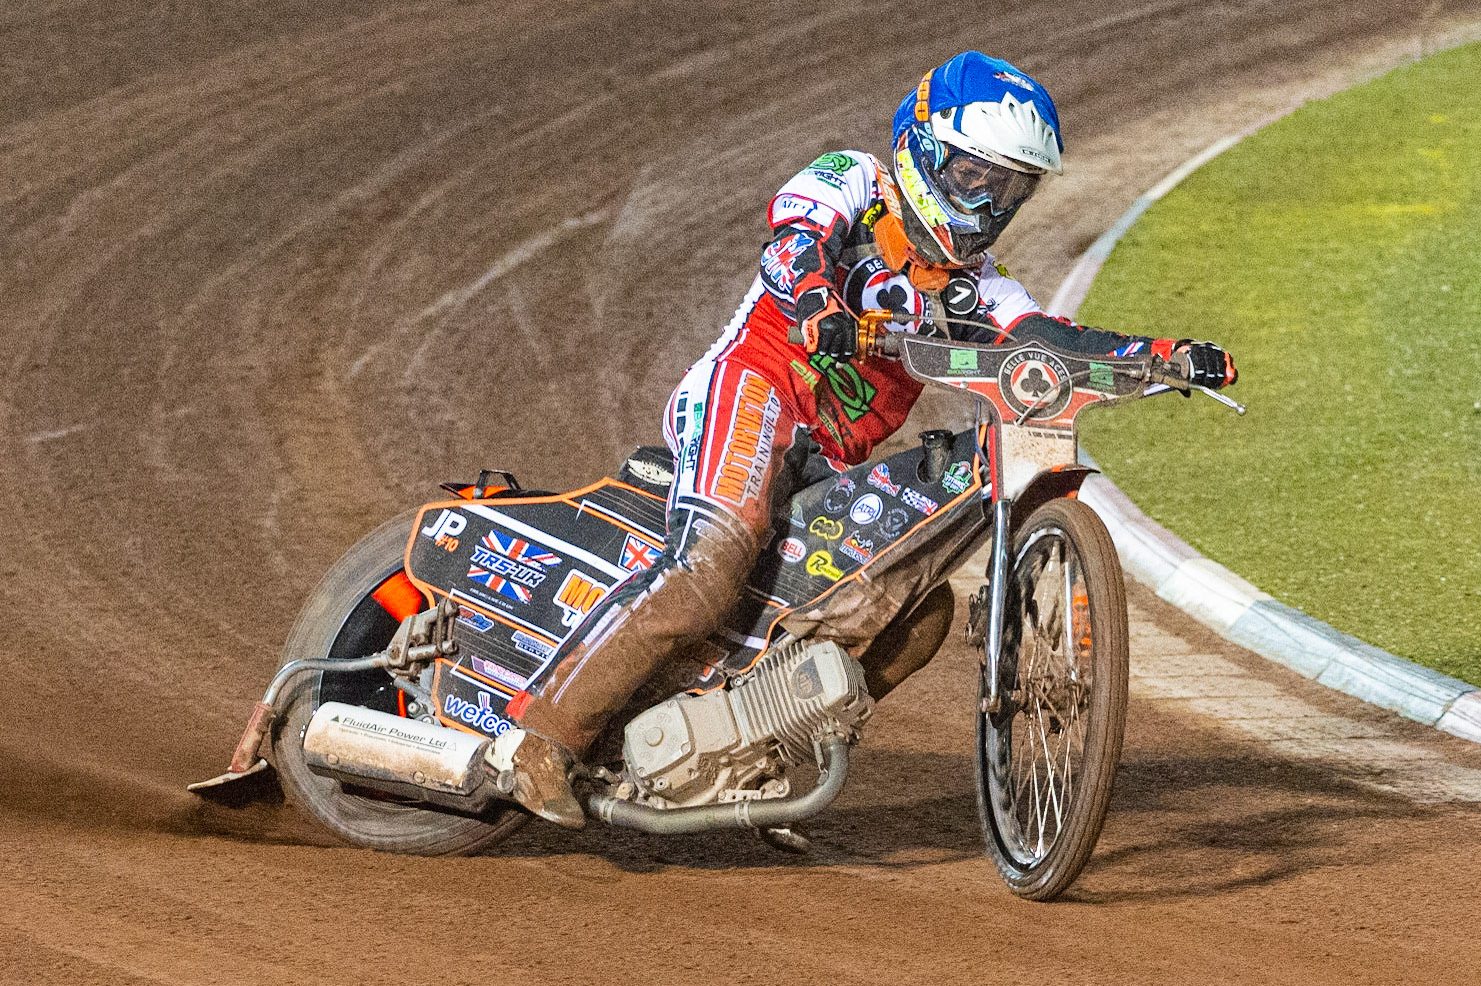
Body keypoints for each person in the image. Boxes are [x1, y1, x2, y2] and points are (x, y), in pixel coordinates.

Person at [494, 51, 1237, 828]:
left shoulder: (978, 286)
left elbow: (1043, 337)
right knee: (722, 546)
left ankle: (758, 761)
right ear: (921, 146)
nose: (986, 206)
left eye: (1009, 189)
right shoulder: (852, 179)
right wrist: (819, 303)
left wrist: (1160, 357)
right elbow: (791, 244)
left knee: (919, 616)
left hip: (826, 458)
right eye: (972, 175)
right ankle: (540, 738)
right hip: (752, 391)